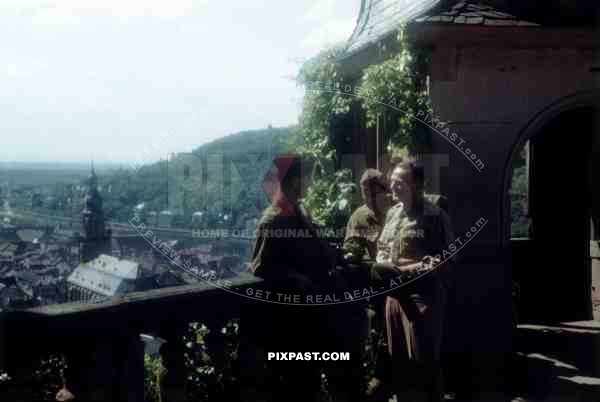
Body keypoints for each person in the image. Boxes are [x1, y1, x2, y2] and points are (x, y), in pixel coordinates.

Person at [239, 155, 336, 402]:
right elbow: (260, 269)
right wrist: (294, 278)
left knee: (308, 381)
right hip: (289, 321)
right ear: (294, 181)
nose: (311, 182)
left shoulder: (299, 211)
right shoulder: (272, 220)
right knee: (295, 384)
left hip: (309, 316)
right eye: (308, 177)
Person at [371, 157, 455, 402]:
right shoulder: (394, 213)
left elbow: (447, 259)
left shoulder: (434, 215)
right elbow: (384, 247)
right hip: (395, 297)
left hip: (422, 299)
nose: (394, 186)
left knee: (424, 363)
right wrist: (383, 260)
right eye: (393, 181)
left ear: (417, 185)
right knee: (401, 364)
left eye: (401, 182)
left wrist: (413, 269)